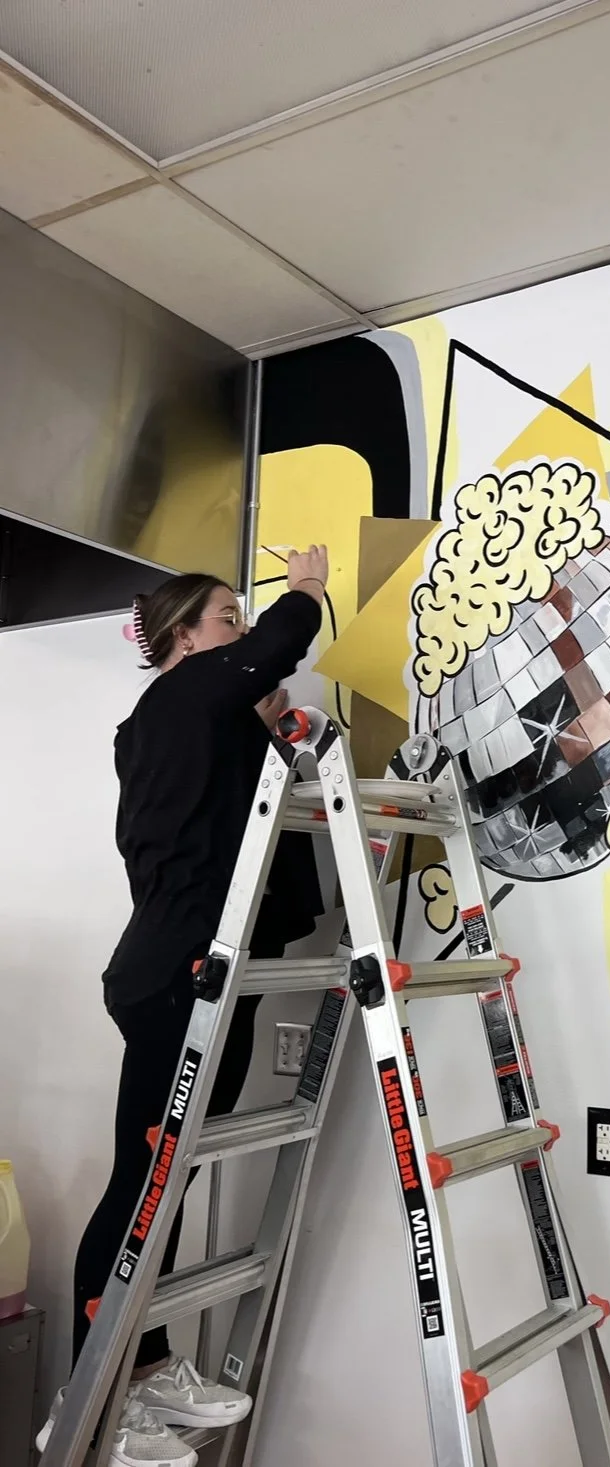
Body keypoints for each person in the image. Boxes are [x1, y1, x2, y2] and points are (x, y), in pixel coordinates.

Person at [38, 548, 330, 1467]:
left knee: (169, 1182)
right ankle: (89, 1395)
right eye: (226, 619)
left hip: (207, 969)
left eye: (241, 618)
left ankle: (147, 1361)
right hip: (178, 975)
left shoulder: (187, 721)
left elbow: (223, 810)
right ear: (180, 640)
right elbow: (278, 644)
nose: (242, 633)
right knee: (146, 1183)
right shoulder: (181, 697)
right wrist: (307, 590)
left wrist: (275, 734)